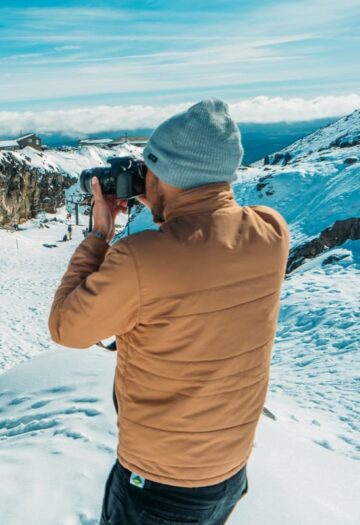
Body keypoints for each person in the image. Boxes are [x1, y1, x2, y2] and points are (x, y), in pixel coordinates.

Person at [48, 99, 290, 525]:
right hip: (227, 470)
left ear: (163, 175)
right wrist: (165, 198)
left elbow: (67, 328)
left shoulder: (140, 258)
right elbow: (203, 251)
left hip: (159, 483)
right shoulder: (271, 230)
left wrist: (100, 234)